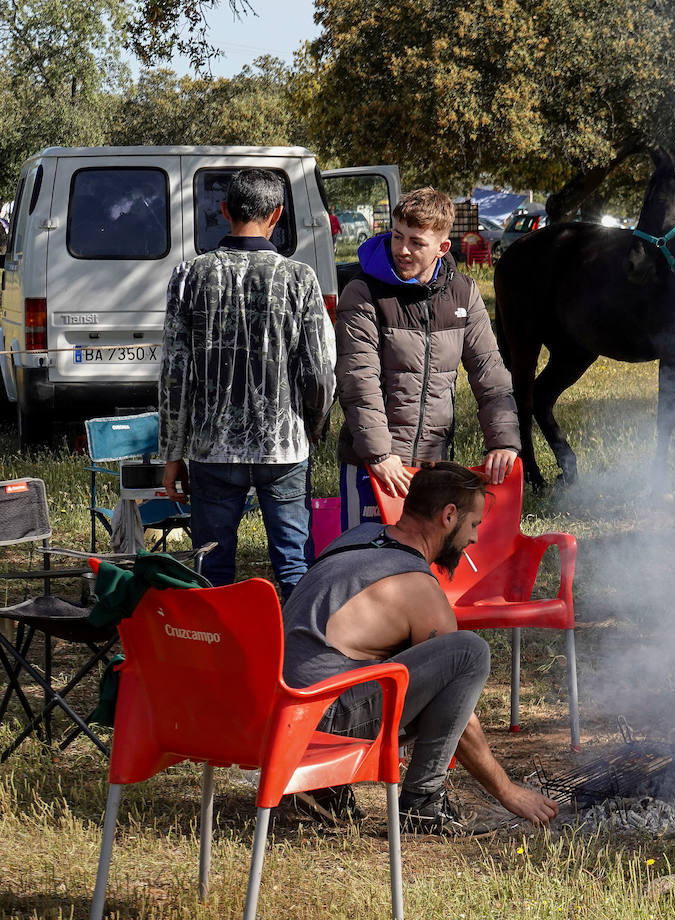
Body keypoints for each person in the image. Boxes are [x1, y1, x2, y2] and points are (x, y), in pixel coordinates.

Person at [281, 462, 559, 832]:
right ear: (449, 516)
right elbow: (457, 712)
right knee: (468, 652)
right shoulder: (417, 589)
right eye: (474, 524)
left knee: (380, 662)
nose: (474, 539)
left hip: (279, 705)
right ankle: (423, 802)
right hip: (318, 718)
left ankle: (325, 788)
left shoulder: (358, 536)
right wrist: (508, 791)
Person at [160, 168, 335, 599]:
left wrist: (170, 452)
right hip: (284, 445)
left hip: (211, 448)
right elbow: (317, 371)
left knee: (211, 564)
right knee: (293, 561)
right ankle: (301, 653)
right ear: (276, 214)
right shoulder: (299, 279)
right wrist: (314, 425)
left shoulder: (189, 277)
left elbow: (175, 376)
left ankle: (215, 652)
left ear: (223, 211)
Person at [335, 188, 519, 529]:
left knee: (419, 566)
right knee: (365, 564)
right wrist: (379, 455)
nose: (402, 250)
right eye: (397, 236)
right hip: (373, 464)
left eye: (416, 242)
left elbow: (489, 371)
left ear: (442, 248)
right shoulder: (363, 292)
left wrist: (503, 440)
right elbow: (358, 378)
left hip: (432, 464)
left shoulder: (463, 292)